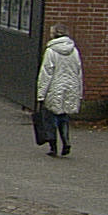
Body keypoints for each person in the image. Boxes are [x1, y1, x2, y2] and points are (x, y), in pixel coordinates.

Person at [36, 26, 83, 157]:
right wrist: (79, 91)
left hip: (54, 87)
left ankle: (53, 147)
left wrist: (41, 94)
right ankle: (66, 140)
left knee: (50, 117)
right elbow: (78, 71)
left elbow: (46, 73)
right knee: (64, 115)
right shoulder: (74, 51)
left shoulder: (51, 51)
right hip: (70, 87)